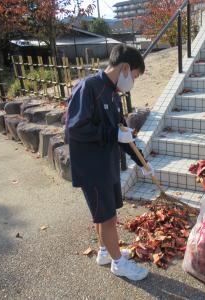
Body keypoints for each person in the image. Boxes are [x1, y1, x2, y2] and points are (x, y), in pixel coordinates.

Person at [66, 44, 154, 280]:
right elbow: (76, 128)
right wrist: (112, 134)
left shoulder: (114, 94)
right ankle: (118, 264)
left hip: (106, 165)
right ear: (124, 68)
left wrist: (142, 162)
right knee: (106, 217)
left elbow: (123, 135)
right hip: (92, 168)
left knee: (107, 214)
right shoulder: (89, 87)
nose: (133, 81)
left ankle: (105, 252)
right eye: (134, 76)